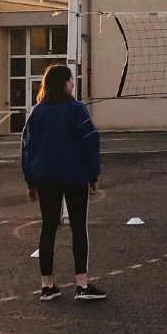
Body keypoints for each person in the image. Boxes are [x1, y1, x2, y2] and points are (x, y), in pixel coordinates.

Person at [20, 64, 106, 301]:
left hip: (46, 177)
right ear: (65, 83)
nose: (73, 83)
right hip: (74, 175)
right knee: (79, 227)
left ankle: (47, 286)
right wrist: (93, 175)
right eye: (71, 80)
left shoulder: (37, 112)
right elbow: (89, 142)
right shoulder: (76, 109)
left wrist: (30, 181)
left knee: (48, 227)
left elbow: (26, 147)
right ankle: (82, 284)